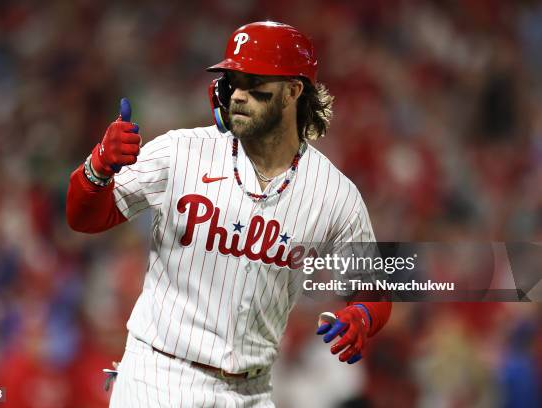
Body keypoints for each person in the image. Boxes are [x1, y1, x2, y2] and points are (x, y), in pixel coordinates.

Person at [67, 21, 391, 408]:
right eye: (231, 81)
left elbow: (375, 290)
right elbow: (83, 217)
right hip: (158, 377)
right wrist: (97, 168)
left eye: (254, 83)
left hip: (252, 391)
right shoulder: (180, 152)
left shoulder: (335, 193)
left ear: (292, 91)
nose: (237, 95)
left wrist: (363, 316)